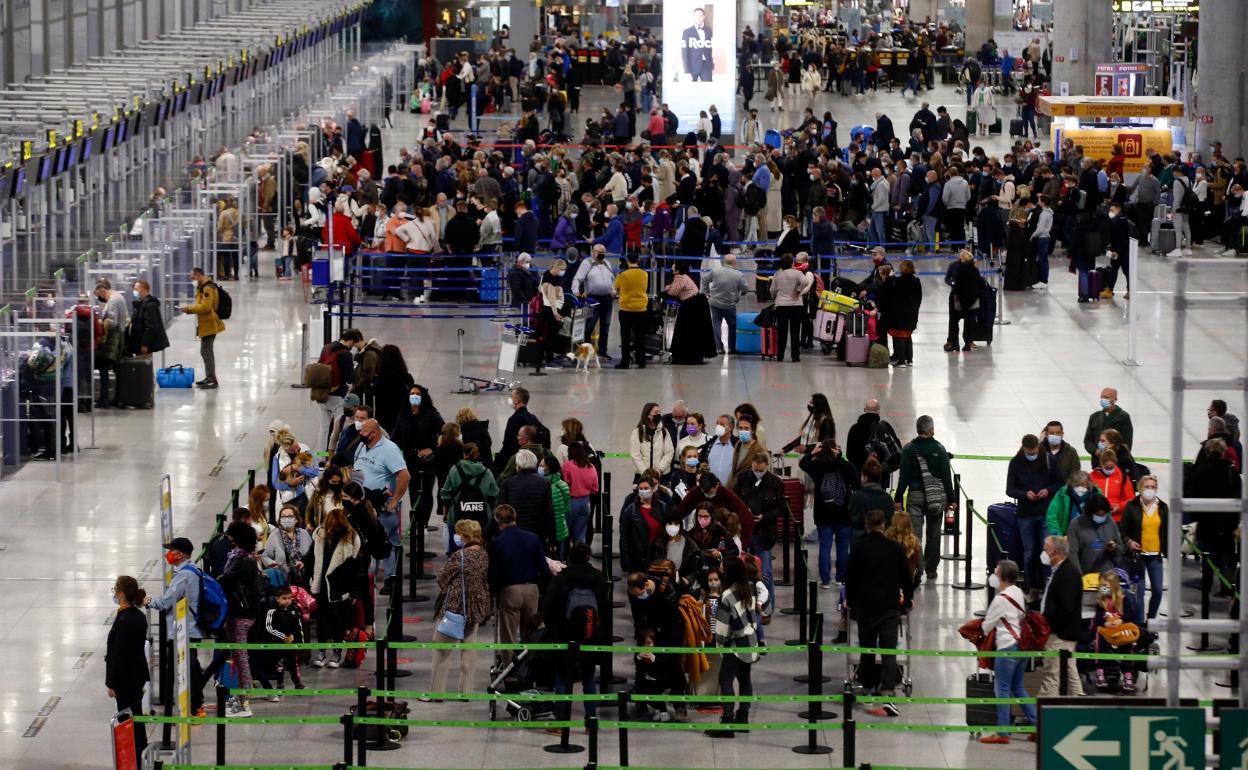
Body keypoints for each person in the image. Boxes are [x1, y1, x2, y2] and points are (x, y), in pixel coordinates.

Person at [845, 509, 914, 716]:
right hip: (889, 607)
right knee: (889, 650)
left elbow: (851, 578)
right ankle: (888, 690)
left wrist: (852, 601)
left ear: (866, 526)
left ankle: (866, 687)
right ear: (884, 526)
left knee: (866, 649)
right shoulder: (894, 549)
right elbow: (906, 577)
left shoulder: (858, 548)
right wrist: (908, 599)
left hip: (866, 607)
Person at [545, 542, 608, 729]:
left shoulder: (561, 579)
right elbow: (604, 610)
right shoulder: (598, 578)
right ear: (588, 557)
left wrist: (554, 630)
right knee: (589, 678)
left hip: (565, 637)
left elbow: (549, 609)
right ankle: (591, 721)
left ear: (569, 558)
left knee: (562, 680)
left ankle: (561, 722)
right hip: (590, 636)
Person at [429, 520, 492, 696]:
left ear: (465, 536)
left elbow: (442, 578)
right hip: (476, 609)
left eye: (459, 533)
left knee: (441, 651)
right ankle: (465, 691)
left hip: (454, 609)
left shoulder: (459, 556)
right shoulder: (484, 555)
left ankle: (436, 693)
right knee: (469, 652)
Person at [977, 559, 1037, 744]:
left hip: (1006, 647)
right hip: (1021, 646)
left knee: (1001, 688)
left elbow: (986, 627)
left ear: (1002, 576)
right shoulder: (1018, 592)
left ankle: (1003, 731)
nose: (993, 575)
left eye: (995, 572)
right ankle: (1037, 725)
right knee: (1018, 687)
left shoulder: (1000, 599)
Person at [145, 538, 206, 715]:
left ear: (180, 554)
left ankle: (195, 707)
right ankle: (194, 705)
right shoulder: (193, 569)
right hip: (191, 628)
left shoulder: (184, 575)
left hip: (183, 630)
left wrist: (149, 602)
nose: (168, 554)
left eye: (171, 550)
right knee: (190, 668)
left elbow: (166, 601)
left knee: (185, 670)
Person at [486, 505, 551, 665]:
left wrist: (493, 592)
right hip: (531, 590)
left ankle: (510, 672)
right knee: (530, 632)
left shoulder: (496, 543)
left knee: (508, 634)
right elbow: (544, 568)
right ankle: (529, 669)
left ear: (497, 520)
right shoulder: (532, 538)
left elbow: (493, 573)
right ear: (515, 518)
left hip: (509, 591)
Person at [893, 416, 955, 581]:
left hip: (915, 496)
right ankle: (931, 569)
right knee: (934, 534)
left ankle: (917, 569)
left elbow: (903, 477)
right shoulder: (940, 450)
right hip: (936, 497)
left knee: (915, 535)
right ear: (931, 430)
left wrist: (898, 498)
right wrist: (951, 499)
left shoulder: (908, 450)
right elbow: (946, 477)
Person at [704, 556, 760, 737]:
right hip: (750, 639)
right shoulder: (749, 587)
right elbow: (754, 614)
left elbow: (722, 626)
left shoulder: (727, 595)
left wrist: (719, 644)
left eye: (722, 568)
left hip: (734, 643)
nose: (720, 570)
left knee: (725, 681)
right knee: (745, 679)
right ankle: (742, 718)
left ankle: (727, 722)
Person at [351, 419, 411, 585]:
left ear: (374, 433)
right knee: (373, 540)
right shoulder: (363, 445)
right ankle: (377, 578)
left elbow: (405, 476)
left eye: (364, 432)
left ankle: (390, 580)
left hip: (382, 505)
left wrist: (394, 501)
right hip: (362, 504)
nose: (360, 435)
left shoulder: (389, 450)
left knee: (385, 541)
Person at [1005, 434, 1063, 593]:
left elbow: (1060, 482)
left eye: (1034, 451)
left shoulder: (1049, 460)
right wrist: (1025, 494)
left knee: (1048, 552)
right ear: (1023, 448)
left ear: (1038, 447)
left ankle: (1048, 587)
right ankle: (1030, 588)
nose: (1031, 454)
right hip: (1025, 515)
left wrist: (1048, 490)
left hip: (1045, 514)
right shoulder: (1016, 463)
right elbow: (1010, 489)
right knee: (1029, 553)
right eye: (1028, 452)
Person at [390, 384, 445, 551]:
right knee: (414, 492)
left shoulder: (431, 414)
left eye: (417, 393)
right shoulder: (403, 416)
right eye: (412, 393)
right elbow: (395, 438)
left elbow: (445, 433)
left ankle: (424, 523)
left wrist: (433, 448)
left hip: (428, 461)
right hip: (410, 462)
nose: (414, 396)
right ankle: (416, 523)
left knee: (426, 492)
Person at [799, 441, 861, 587]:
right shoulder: (846, 466)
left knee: (825, 547)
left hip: (823, 515)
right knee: (842, 547)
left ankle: (825, 580)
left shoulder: (817, 466)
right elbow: (858, 485)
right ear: (836, 450)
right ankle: (841, 578)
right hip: (844, 514)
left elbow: (803, 464)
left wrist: (812, 453)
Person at [218, 522, 262, 716]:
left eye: (231, 536)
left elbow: (225, 581)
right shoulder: (245, 557)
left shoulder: (240, 560)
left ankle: (242, 702)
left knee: (240, 656)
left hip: (240, 614)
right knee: (238, 655)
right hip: (245, 612)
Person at [310, 507, 362, 669]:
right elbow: (311, 557)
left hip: (341, 588)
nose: (334, 530)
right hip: (321, 587)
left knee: (339, 623)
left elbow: (358, 568)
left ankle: (337, 653)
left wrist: (354, 591)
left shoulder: (352, 538)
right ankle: (321, 652)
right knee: (321, 622)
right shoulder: (319, 536)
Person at [106, 576, 150, 755]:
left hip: (125, 680)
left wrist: (111, 683)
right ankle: (140, 755)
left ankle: (134, 757)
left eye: (115, 589)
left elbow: (119, 655)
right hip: (137, 675)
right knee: (136, 717)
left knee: (127, 720)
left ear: (121, 593)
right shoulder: (138, 615)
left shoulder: (124, 620)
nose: (114, 593)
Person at [1038, 536, 1084, 696]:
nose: (1043, 552)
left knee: (1051, 674)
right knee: (1070, 674)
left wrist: (1050, 628)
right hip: (1061, 634)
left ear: (1055, 552)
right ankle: (1077, 705)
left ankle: (1047, 715)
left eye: (1046, 548)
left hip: (1060, 635)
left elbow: (1067, 609)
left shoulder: (1068, 574)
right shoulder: (1059, 571)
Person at [1120, 475, 1168, 622]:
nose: (1150, 490)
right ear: (1140, 488)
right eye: (1147, 487)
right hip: (1137, 556)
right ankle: (1140, 623)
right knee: (1139, 593)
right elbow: (1122, 530)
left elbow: (1169, 530)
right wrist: (1129, 542)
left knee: (1158, 591)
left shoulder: (1163, 507)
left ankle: (1152, 619)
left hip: (1155, 555)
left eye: (1153, 487)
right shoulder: (1131, 506)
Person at [1091, 569, 1143, 692]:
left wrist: (1120, 620)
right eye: (1102, 586)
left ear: (1113, 586)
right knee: (1100, 635)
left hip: (1120, 629)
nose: (1103, 588)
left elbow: (1130, 615)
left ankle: (1127, 674)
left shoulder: (1124, 598)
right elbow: (1097, 618)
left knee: (1127, 642)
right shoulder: (1101, 601)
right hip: (1106, 630)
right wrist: (1106, 622)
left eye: (1106, 586)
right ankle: (1100, 672)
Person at [179, 267, 224, 389]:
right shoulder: (203, 287)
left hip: (209, 323)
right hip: (205, 323)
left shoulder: (207, 288)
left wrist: (189, 309)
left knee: (206, 352)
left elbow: (206, 307)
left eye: (193, 278)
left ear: (199, 275)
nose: (192, 280)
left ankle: (212, 380)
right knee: (205, 351)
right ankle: (209, 377)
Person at [619, 474, 672, 574]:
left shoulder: (663, 508)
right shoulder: (630, 510)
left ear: (652, 489)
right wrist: (625, 560)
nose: (643, 491)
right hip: (637, 558)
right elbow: (624, 537)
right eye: (641, 488)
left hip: (658, 556)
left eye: (646, 488)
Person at [573, 245, 617, 360]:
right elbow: (578, 279)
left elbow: (612, 279)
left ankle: (603, 351)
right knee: (589, 325)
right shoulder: (587, 263)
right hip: (593, 298)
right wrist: (576, 291)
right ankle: (586, 350)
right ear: (593, 252)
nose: (603, 254)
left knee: (605, 326)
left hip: (607, 298)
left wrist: (613, 291)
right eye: (600, 252)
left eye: (604, 252)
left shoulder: (607, 263)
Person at [701, 253, 750, 355]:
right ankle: (732, 348)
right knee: (732, 325)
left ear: (724, 261)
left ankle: (719, 348)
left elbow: (704, 279)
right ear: (734, 262)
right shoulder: (738, 275)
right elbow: (745, 288)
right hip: (729, 305)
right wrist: (739, 294)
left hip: (714, 303)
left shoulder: (715, 271)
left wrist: (707, 292)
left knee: (716, 325)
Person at [877, 259, 922, 366]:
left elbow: (889, 293)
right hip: (912, 313)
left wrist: (890, 278)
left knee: (898, 336)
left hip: (899, 313)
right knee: (907, 335)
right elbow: (919, 298)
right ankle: (909, 360)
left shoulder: (898, 281)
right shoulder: (917, 281)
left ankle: (901, 360)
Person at [771, 254, 814, 362]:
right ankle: (795, 357)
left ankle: (780, 356)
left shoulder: (777, 274)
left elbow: (772, 290)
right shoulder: (798, 273)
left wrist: (774, 297)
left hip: (781, 305)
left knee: (782, 331)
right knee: (795, 331)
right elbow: (805, 282)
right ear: (792, 263)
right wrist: (798, 291)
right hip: (796, 305)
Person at [1067, 495, 1122, 574]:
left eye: (1104, 514)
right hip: (1085, 574)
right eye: (1099, 515)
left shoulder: (1110, 521)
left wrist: (1114, 547)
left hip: (1107, 575)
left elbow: (1120, 549)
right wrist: (1079, 577)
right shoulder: (1076, 524)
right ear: (1089, 513)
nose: (1102, 517)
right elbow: (1072, 554)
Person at [613, 251, 649, 369]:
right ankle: (641, 361)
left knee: (626, 337)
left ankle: (625, 362)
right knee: (640, 336)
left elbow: (615, 287)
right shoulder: (644, 274)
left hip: (626, 309)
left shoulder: (623, 275)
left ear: (627, 260)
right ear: (637, 259)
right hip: (641, 309)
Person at [262, 506, 313, 587]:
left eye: (289, 516)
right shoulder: (274, 535)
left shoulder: (304, 533)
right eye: (283, 516)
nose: (286, 519)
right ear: (280, 520)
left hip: (305, 580)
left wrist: (305, 562)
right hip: (284, 583)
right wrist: (272, 563)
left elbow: (312, 554)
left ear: (296, 519)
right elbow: (265, 556)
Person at [944, 250, 984, 352]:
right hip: (972, 300)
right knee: (969, 321)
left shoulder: (960, 269)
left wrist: (955, 290)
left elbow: (957, 286)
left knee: (954, 320)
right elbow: (980, 284)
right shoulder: (974, 270)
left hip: (958, 299)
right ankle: (967, 343)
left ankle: (954, 343)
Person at [561, 441, 599, 544]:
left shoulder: (567, 466)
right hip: (586, 503)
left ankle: (563, 558)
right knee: (581, 535)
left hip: (571, 502)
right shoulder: (591, 466)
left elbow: (565, 484)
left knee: (564, 534)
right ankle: (580, 557)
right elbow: (595, 488)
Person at [1045, 470, 1103, 536]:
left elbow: (1105, 514)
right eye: (1077, 485)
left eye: (1083, 485)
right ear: (1072, 484)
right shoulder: (1062, 494)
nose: (1080, 488)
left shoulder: (1096, 494)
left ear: (1088, 484)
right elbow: (1052, 516)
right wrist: (1058, 536)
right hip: (1068, 536)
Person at [629, 403, 675, 484]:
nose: (659, 415)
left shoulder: (664, 432)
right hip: (642, 476)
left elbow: (669, 453)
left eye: (659, 412)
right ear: (647, 415)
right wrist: (645, 472)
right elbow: (635, 455)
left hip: (662, 476)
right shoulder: (637, 433)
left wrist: (659, 470)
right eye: (655, 412)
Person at [1083, 388, 1134, 456]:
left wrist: (1111, 454)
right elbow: (1088, 440)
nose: (1103, 399)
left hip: (1117, 461)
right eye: (1102, 396)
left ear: (1115, 399)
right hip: (1097, 461)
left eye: (1106, 397)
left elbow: (1127, 442)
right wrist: (1095, 450)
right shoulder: (1094, 417)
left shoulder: (1123, 417)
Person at [126, 279, 170, 358]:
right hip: (138, 342)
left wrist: (145, 344)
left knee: (144, 366)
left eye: (136, 289)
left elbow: (151, 327)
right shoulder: (141, 304)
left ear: (143, 290)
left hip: (143, 345)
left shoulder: (149, 306)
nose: (134, 291)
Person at [1089, 449, 1136, 522]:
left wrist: (1119, 506)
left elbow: (1131, 499)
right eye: (1106, 468)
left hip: (1117, 520)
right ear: (1101, 464)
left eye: (1111, 468)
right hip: (1096, 518)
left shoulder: (1123, 478)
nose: (1109, 470)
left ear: (1116, 463)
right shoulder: (1092, 477)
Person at [681, 7, 714, 81]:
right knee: (691, 91)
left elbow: (710, 48)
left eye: (701, 16)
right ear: (693, 17)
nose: (699, 18)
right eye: (696, 16)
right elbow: (684, 52)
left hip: (706, 65)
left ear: (704, 17)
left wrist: (711, 64)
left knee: (708, 89)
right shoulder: (687, 32)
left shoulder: (709, 30)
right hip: (692, 66)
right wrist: (687, 71)